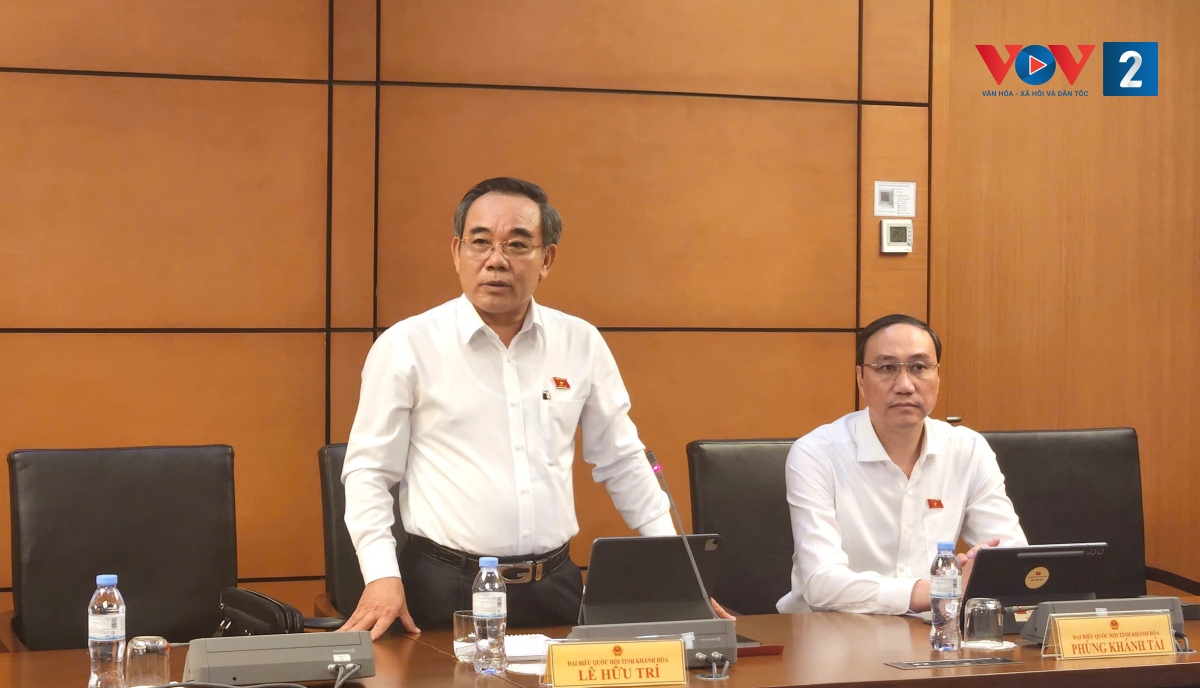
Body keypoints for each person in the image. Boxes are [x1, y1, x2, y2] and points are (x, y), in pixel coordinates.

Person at [337, 177, 679, 638]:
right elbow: (368, 472)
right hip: (444, 589)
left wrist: (677, 570)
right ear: (457, 252)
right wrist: (381, 574)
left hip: (554, 586)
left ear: (547, 259)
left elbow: (622, 459)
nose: (496, 260)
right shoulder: (407, 346)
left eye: (517, 245)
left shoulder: (580, 343)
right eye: (480, 242)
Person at [776, 314, 1027, 615]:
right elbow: (821, 583)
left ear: (937, 377)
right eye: (887, 368)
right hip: (831, 632)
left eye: (919, 367)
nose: (905, 385)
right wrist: (939, 588)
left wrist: (986, 567)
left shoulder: (967, 449)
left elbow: (1014, 560)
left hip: (932, 633)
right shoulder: (817, 454)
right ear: (860, 379)